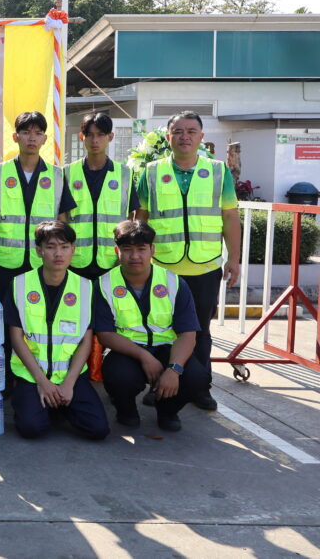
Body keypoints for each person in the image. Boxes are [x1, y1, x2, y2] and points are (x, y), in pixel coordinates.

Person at [134, 111, 240, 411]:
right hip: (163, 269)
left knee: (200, 330)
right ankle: (159, 386)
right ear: (168, 137)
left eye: (191, 131)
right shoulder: (151, 172)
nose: (184, 136)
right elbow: (140, 218)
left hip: (204, 267)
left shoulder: (219, 171)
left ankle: (200, 387)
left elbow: (230, 216)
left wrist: (235, 258)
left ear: (201, 137)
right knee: (160, 329)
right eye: (178, 131)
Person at [95, 220, 209, 431]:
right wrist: (144, 356)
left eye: (141, 249)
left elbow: (188, 333)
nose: (135, 256)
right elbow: (105, 334)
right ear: (116, 251)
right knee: (119, 377)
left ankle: (167, 410)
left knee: (197, 378)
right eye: (127, 250)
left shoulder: (173, 282)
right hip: (127, 350)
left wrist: (174, 370)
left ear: (152, 250)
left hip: (168, 348)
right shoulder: (104, 284)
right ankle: (126, 410)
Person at [3, 220, 109, 440]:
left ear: (73, 250)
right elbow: (16, 338)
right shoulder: (19, 284)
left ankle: (59, 402)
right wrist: (42, 382)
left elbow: (85, 341)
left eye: (64, 246)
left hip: (70, 375)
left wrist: (69, 383)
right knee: (32, 428)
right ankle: (40, 401)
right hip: (32, 376)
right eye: (50, 247)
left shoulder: (86, 287)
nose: (58, 253)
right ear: (39, 251)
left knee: (98, 430)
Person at [0, 111, 75, 301]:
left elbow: (62, 220)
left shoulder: (56, 175)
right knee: (4, 318)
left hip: (42, 261)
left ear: (45, 139)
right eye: (26, 132)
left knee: (36, 315)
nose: (31, 138)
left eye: (38, 133)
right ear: (16, 137)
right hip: (4, 261)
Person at [64, 112, 139, 281]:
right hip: (75, 260)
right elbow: (62, 217)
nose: (95, 140)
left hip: (112, 260)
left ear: (110, 137)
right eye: (89, 135)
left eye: (100, 135)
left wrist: (124, 254)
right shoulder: (67, 173)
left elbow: (131, 218)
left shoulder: (124, 174)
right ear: (81, 137)